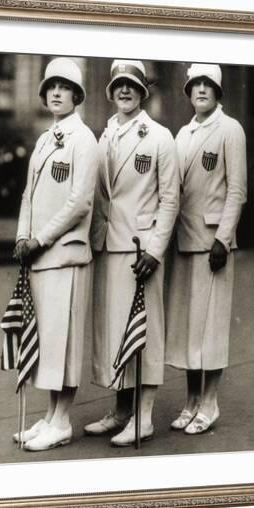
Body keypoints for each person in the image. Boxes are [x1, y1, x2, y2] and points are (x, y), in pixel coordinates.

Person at [86, 59, 179, 446]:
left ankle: (144, 417)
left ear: (142, 92)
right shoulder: (104, 136)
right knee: (115, 332)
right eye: (118, 85)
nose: (125, 91)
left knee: (145, 332)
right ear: (111, 92)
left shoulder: (159, 136)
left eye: (132, 85)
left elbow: (171, 199)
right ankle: (122, 410)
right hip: (109, 245)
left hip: (141, 249)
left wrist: (156, 250)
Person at [12, 57, 98, 451]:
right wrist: (21, 236)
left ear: (77, 96)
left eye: (65, 87)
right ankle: (49, 416)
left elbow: (80, 202)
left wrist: (40, 238)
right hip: (40, 254)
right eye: (52, 87)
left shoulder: (84, 139)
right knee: (47, 338)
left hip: (64, 253)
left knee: (63, 340)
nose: (57, 93)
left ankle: (63, 420)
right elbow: (29, 195)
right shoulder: (46, 139)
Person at [165, 63, 247, 434]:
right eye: (194, 84)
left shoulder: (230, 129)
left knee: (210, 327)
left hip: (212, 243)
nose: (200, 89)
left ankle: (210, 403)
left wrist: (223, 238)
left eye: (207, 84)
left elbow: (237, 190)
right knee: (187, 328)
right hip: (183, 241)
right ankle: (191, 401)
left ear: (217, 91)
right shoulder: (182, 134)